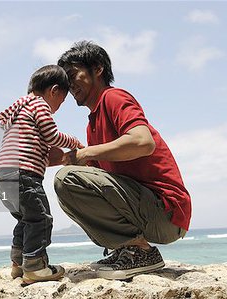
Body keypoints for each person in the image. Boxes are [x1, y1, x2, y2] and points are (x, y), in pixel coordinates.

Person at [54, 41, 192, 280]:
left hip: (166, 212)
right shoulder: (93, 124)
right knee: (67, 187)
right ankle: (128, 247)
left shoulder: (113, 97)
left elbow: (143, 142)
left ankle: (141, 250)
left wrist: (86, 153)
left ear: (97, 69)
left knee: (67, 180)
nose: (69, 85)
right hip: (148, 211)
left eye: (73, 74)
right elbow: (97, 182)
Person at [0, 65, 84, 284]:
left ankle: (18, 265)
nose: (57, 109)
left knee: (25, 220)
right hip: (24, 175)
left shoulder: (19, 112)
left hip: (2, 177)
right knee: (41, 219)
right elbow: (52, 135)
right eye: (61, 102)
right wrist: (74, 143)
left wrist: (60, 158)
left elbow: (36, 149)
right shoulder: (39, 105)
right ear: (54, 91)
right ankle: (35, 267)